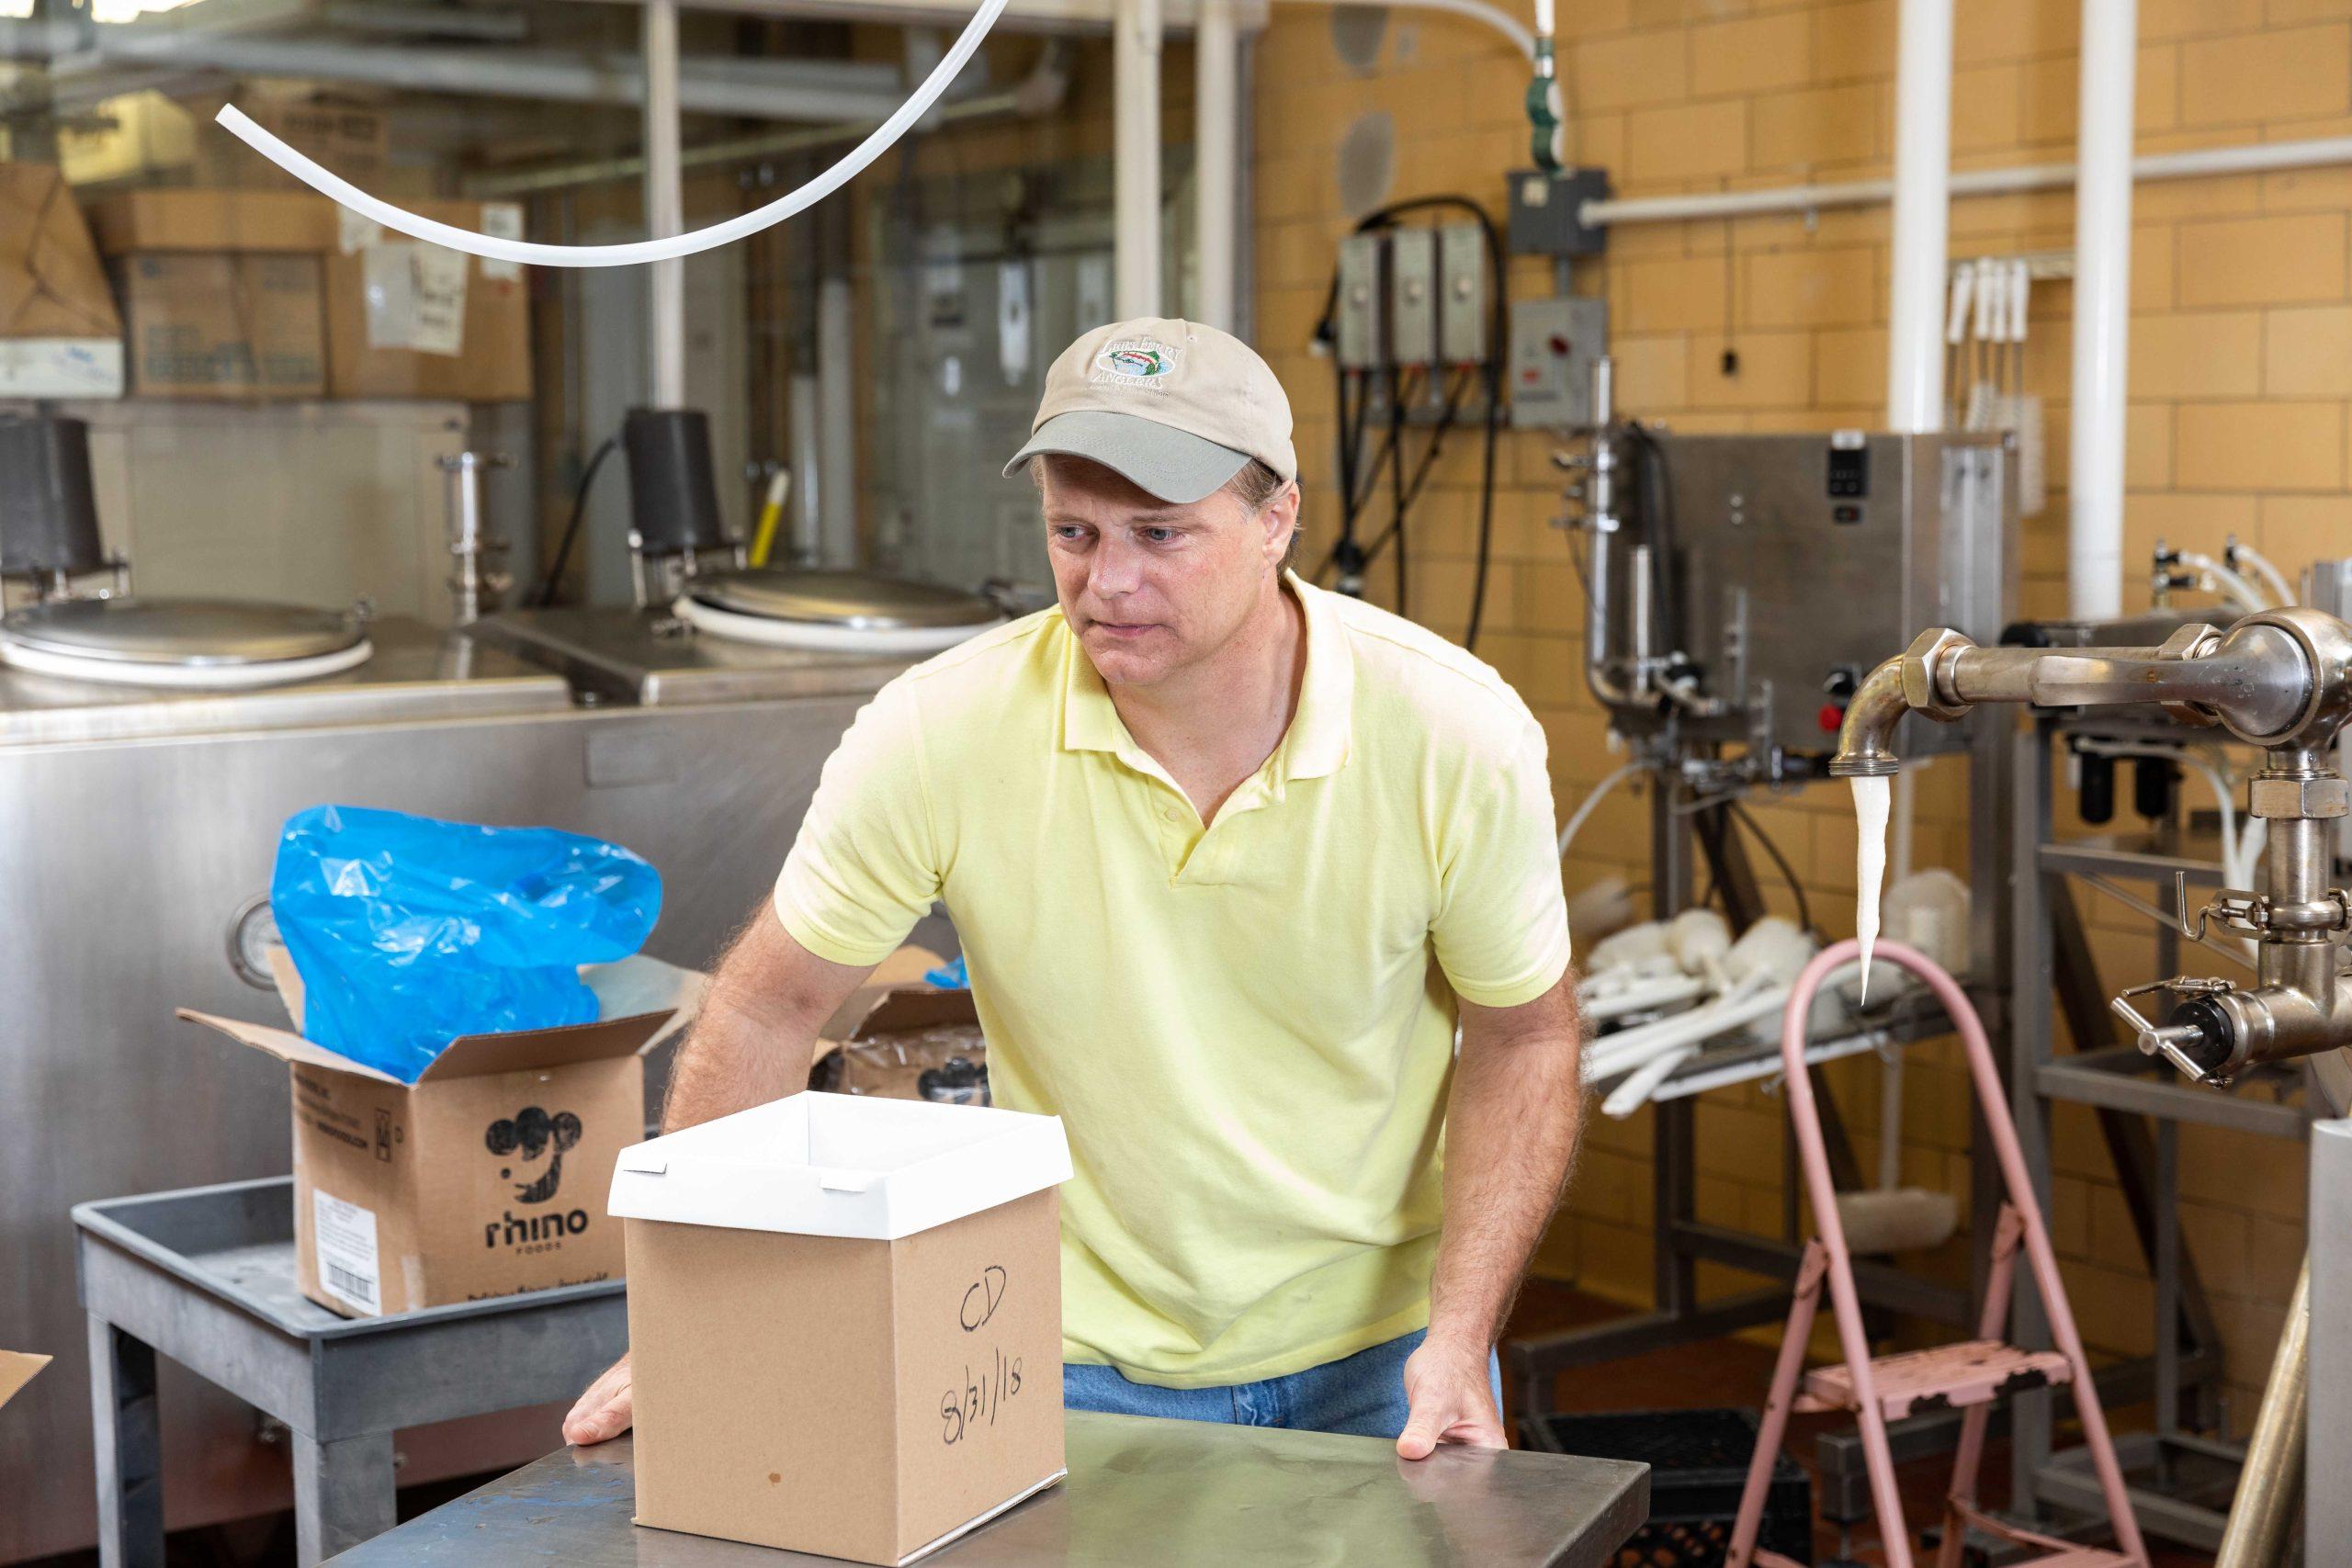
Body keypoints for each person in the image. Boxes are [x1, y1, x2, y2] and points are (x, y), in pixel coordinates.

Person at [565, 317, 1584, 1460]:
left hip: (1383, 1364)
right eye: (1074, 532)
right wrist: (689, 1311)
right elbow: (766, 1005)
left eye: (1161, 533)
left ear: (1277, 520)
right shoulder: (941, 729)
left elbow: (1522, 1037)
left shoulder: (1451, 730)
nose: (1109, 583)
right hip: (1063, 1364)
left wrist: (1459, 1334)